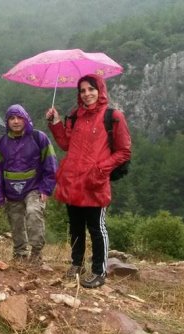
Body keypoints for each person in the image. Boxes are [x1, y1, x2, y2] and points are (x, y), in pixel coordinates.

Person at [45, 74, 131, 288]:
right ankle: (76, 264)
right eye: (82, 90)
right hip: (73, 181)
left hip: (94, 182)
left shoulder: (113, 116)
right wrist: (55, 123)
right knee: (75, 226)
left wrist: (101, 168)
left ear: (100, 90)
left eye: (91, 89)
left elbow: (124, 151)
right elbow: (66, 144)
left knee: (96, 228)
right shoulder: (75, 116)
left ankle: (99, 271)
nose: (87, 94)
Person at [0, 104, 57, 264]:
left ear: (26, 118)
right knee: (15, 221)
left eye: (19, 118)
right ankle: (20, 254)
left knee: (33, 212)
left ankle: (36, 253)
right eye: (12, 118)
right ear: (7, 121)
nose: (15, 121)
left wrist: (46, 187)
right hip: (11, 190)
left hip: (34, 187)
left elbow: (51, 163)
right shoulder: (2, 142)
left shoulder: (39, 137)